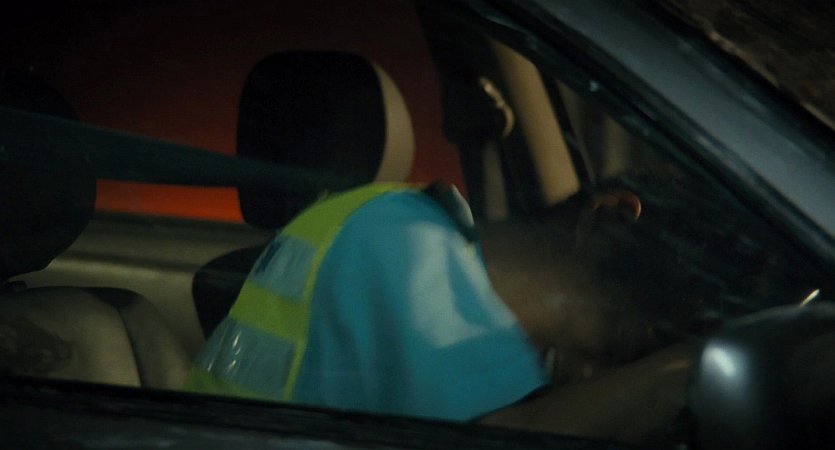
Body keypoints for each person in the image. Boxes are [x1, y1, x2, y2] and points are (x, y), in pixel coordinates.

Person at [185, 51, 692, 445]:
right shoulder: (400, 236)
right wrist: (687, 367)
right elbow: (500, 439)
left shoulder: (383, 227)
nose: (661, 331)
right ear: (611, 218)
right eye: (688, 287)